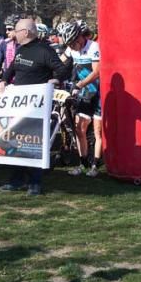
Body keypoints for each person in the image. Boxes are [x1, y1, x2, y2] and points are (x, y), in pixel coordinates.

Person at [0, 17, 70, 195]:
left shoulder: (44, 51)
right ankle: (16, 180)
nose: (14, 34)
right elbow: (12, 68)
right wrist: (4, 80)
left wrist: (55, 80)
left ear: (27, 32)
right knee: (14, 141)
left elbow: (62, 69)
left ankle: (35, 183)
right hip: (18, 104)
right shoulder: (21, 49)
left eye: (17, 31)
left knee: (33, 143)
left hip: (36, 106)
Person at [59, 21, 104, 177]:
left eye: (72, 44)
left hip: (98, 93)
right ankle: (82, 163)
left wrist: (79, 84)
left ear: (79, 38)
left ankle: (95, 165)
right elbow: (59, 62)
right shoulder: (71, 49)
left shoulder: (93, 47)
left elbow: (97, 72)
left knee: (98, 132)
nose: (70, 48)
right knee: (79, 129)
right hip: (84, 93)